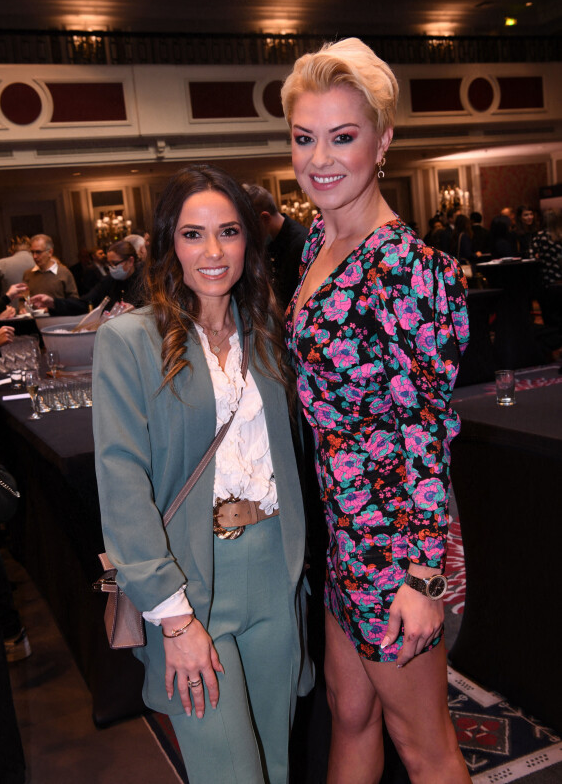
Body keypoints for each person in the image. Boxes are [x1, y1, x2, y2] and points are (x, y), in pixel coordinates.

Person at [281, 38, 471, 784]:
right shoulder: (321, 245)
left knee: (424, 747)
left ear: (383, 141)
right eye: (304, 137)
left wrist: (425, 577)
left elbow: (427, 432)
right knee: (348, 711)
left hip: (394, 544)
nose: (319, 157)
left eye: (343, 136)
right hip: (341, 531)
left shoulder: (407, 268)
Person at [93, 164, 313, 784]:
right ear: (168, 245)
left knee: (274, 763)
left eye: (229, 232)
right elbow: (122, 482)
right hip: (188, 583)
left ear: (251, 240)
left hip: (276, 571)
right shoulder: (131, 340)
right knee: (231, 773)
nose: (213, 251)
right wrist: (175, 619)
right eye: (193, 234)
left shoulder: (268, 332)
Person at [31, 239, 145, 316]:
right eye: (109, 264)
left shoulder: (144, 282)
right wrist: (53, 302)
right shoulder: (109, 281)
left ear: (130, 261)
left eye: (115, 264)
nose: (112, 268)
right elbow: (84, 303)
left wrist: (136, 312)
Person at [243, 183, 308, 311]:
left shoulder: (300, 245)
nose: (248, 234)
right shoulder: (274, 241)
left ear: (265, 218)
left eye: (249, 227)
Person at [22, 234, 78, 300]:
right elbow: (23, 299)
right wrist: (22, 308)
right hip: (34, 310)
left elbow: (74, 301)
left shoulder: (64, 273)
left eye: (38, 252)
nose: (35, 256)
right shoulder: (28, 274)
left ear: (50, 252)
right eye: (32, 252)